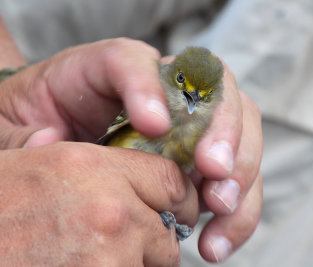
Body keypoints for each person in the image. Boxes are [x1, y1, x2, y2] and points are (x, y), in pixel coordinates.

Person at [0, 1, 263, 267]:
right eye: (184, 85)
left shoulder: (205, 131)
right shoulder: (152, 102)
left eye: (201, 98)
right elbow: (104, 153)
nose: (190, 101)